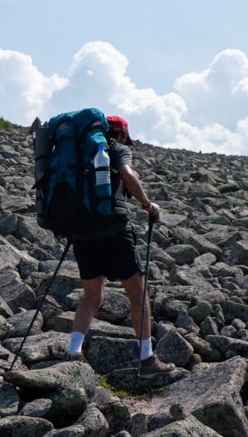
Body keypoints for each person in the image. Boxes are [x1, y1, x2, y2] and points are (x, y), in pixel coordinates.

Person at [65, 114, 175, 375]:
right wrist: (148, 205)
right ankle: (147, 359)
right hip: (113, 229)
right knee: (137, 293)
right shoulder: (118, 149)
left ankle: (73, 351)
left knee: (92, 295)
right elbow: (126, 174)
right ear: (122, 134)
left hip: (81, 232)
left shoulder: (78, 153)